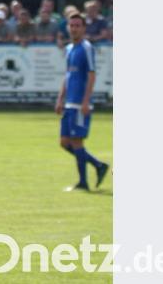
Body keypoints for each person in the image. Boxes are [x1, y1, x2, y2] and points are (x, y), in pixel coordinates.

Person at [55, 13, 109, 191]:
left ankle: (83, 183)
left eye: (78, 25)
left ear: (84, 28)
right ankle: (98, 165)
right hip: (69, 103)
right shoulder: (70, 48)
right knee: (64, 142)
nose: (74, 28)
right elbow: (68, 75)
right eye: (72, 25)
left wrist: (86, 101)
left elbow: (91, 75)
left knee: (77, 142)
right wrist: (60, 98)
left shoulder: (86, 48)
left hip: (79, 104)